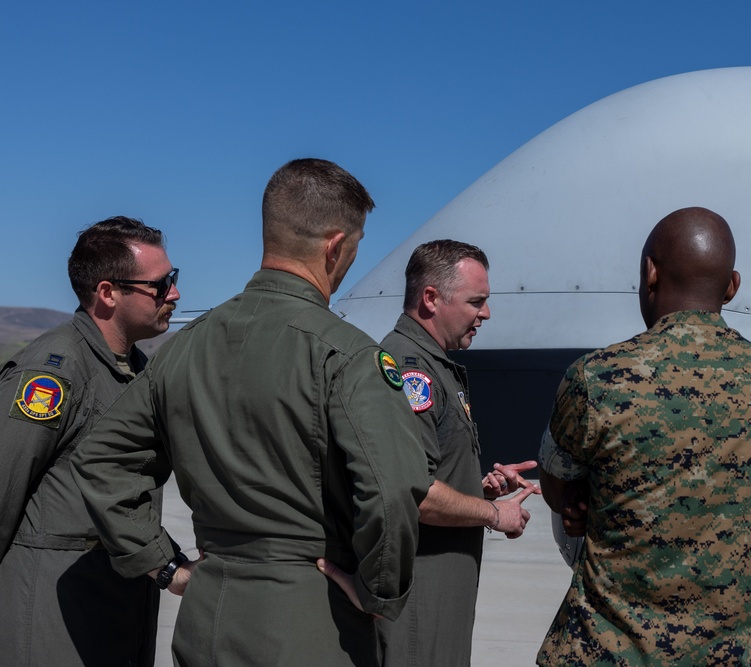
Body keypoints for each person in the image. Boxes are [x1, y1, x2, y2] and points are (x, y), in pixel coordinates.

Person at [70, 158, 430, 666]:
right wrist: (379, 594)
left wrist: (166, 567)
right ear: (335, 246)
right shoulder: (347, 356)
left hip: (206, 618)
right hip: (309, 622)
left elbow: (103, 461)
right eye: (357, 243)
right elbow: (393, 493)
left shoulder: (182, 349)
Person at [536, 207, 751, 666]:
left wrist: (581, 504)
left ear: (650, 271)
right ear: (732, 286)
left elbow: (556, 486)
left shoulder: (599, 378)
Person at [0, 216, 179, 666]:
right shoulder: (53, 372)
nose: (174, 294)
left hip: (119, 600)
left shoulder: (136, 370)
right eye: (160, 285)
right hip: (50, 608)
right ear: (107, 293)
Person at [369, 239, 539, 665]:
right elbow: (415, 492)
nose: (486, 313)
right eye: (476, 301)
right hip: (421, 599)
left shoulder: (435, 367)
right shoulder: (410, 370)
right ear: (431, 298)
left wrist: (478, 490)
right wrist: (495, 515)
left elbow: (428, 472)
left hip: (443, 594)